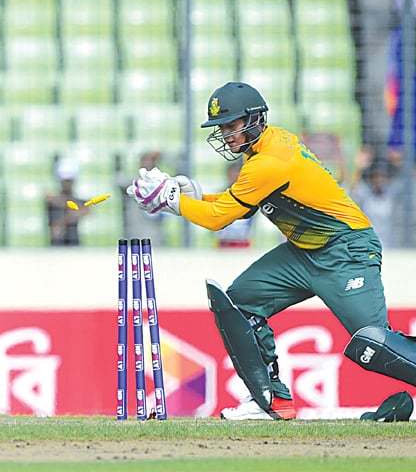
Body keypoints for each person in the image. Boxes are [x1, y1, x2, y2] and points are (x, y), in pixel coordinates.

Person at [127, 81, 416, 420]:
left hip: (346, 249)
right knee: (240, 301)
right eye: (222, 127)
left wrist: (174, 202)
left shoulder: (270, 161)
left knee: (372, 344)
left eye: (231, 125)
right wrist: (193, 195)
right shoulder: (263, 152)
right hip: (304, 253)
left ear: (254, 119)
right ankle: (270, 402)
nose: (226, 134)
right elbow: (237, 204)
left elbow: (220, 219)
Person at [116, 151, 165, 245]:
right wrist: (118, 161)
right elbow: (119, 181)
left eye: (150, 161)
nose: (146, 164)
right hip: (134, 231)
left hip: (154, 233)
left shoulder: (162, 184)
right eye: (143, 161)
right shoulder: (132, 182)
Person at [46, 157, 88, 246]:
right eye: (65, 181)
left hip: (74, 244)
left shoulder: (78, 201)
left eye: (69, 180)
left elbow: (85, 210)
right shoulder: (52, 199)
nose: (67, 184)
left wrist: (62, 222)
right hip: (56, 246)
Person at [216, 161, 254, 248]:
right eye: (232, 174)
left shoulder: (250, 194)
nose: (235, 177)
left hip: (243, 241)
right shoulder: (220, 194)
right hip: (224, 242)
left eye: (237, 174)